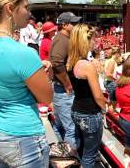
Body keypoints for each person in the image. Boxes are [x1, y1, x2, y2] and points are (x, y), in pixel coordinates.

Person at [0, 0, 53, 167]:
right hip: (25, 138)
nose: (29, 12)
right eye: (26, 7)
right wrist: (43, 74)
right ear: (10, 9)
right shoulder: (23, 53)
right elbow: (46, 98)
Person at [66, 24, 107, 167]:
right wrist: (106, 108)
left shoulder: (70, 62)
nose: (95, 42)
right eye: (93, 40)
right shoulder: (87, 66)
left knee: (82, 149)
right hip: (90, 114)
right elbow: (98, 96)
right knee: (90, 155)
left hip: (76, 110)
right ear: (85, 41)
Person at [49, 11, 81, 153]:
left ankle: (63, 155)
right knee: (71, 129)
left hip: (59, 90)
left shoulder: (62, 38)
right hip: (63, 90)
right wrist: (67, 83)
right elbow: (56, 63)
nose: (75, 25)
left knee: (60, 126)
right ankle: (71, 159)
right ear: (64, 25)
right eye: (72, 23)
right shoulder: (62, 39)